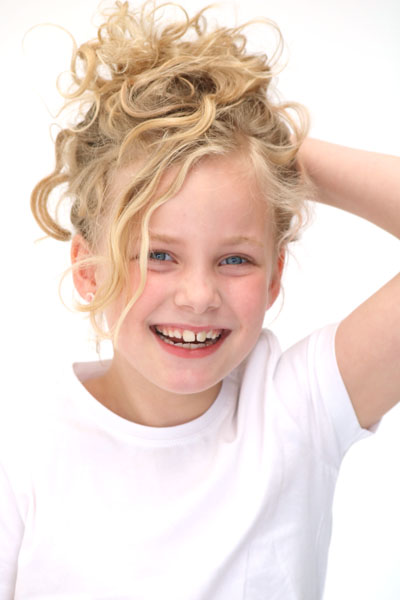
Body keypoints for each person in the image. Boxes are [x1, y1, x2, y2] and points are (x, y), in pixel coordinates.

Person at [1, 1, 399, 598]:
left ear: (274, 275)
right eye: (158, 254)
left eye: (235, 260)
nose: (197, 296)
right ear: (88, 269)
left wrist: (269, 155)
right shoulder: (21, 446)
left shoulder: (296, 412)